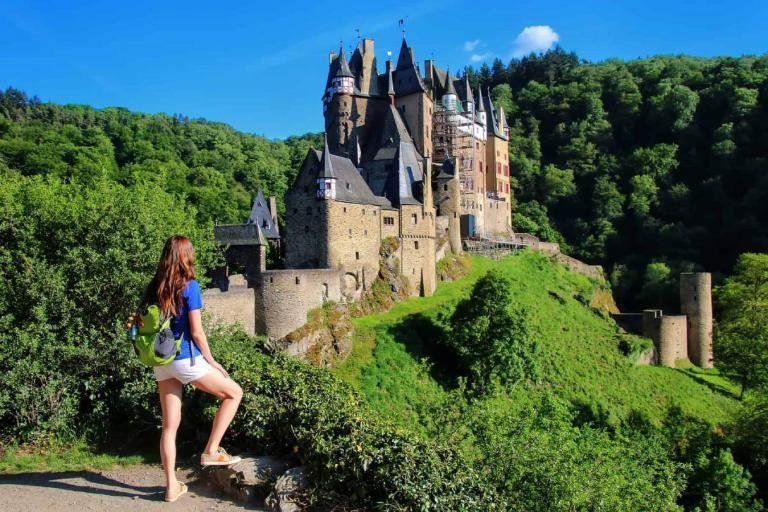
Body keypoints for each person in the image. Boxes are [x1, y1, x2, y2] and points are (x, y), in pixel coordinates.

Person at [129, 235, 243, 503]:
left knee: (169, 427)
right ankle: (211, 450)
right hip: (185, 358)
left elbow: (138, 322)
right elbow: (197, 332)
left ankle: (171, 487)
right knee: (234, 393)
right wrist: (212, 361)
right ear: (185, 256)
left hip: (161, 361)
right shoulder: (189, 286)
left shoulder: (155, 286)